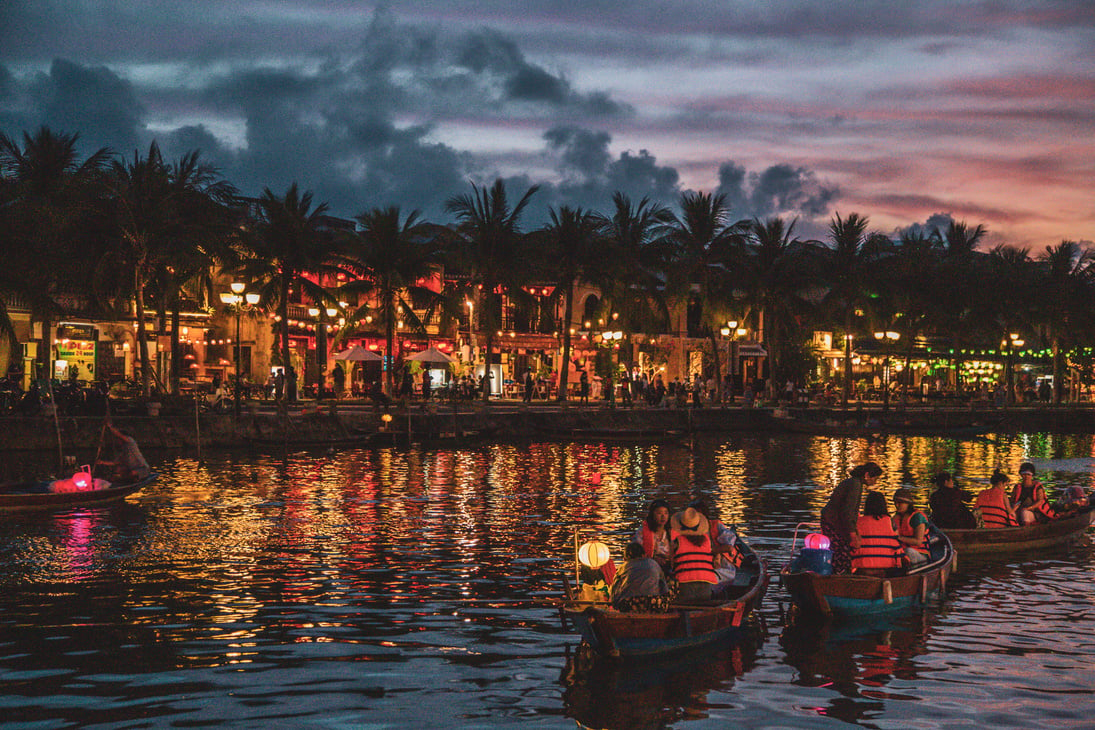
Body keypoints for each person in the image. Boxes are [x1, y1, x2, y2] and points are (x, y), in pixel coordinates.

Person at [821, 461, 883, 574]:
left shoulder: (853, 483)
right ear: (867, 475)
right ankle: (839, 575)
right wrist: (853, 534)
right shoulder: (855, 485)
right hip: (832, 522)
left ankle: (837, 573)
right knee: (842, 551)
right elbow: (848, 511)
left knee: (839, 550)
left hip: (833, 521)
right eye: (875, 478)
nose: (875, 481)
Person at [669, 507, 718, 602]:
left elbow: (672, 565)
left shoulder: (677, 542)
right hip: (706, 584)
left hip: (685, 585)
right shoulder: (707, 540)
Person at [851, 491, 905, 576]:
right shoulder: (889, 521)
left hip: (862, 567)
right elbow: (896, 542)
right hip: (886, 567)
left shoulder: (858, 522)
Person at [609, 542, 671, 613]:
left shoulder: (623, 568)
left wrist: (615, 605)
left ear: (625, 558)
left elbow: (614, 593)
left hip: (629, 604)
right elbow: (664, 589)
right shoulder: (654, 564)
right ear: (644, 555)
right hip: (653, 604)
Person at [892, 488, 930, 565]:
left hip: (919, 554)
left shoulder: (917, 517)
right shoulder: (895, 518)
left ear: (908, 503)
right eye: (895, 502)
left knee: (908, 551)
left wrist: (898, 538)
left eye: (900, 503)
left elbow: (918, 541)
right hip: (901, 552)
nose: (897, 505)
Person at [632, 499, 672, 572]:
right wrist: (653, 558)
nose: (663, 516)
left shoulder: (672, 532)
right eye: (659, 513)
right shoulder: (642, 532)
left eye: (666, 513)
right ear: (652, 515)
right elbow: (636, 554)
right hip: (648, 568)